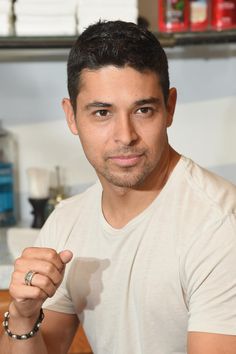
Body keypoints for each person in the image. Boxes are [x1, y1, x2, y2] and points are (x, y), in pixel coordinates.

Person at [1, 20, 236, 354]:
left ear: (169, 107)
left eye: (143, 110)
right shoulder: (68, 222)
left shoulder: (219, 226)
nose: (125, 136)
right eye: (102, 113)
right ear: (71, 116)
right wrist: (23, 317)